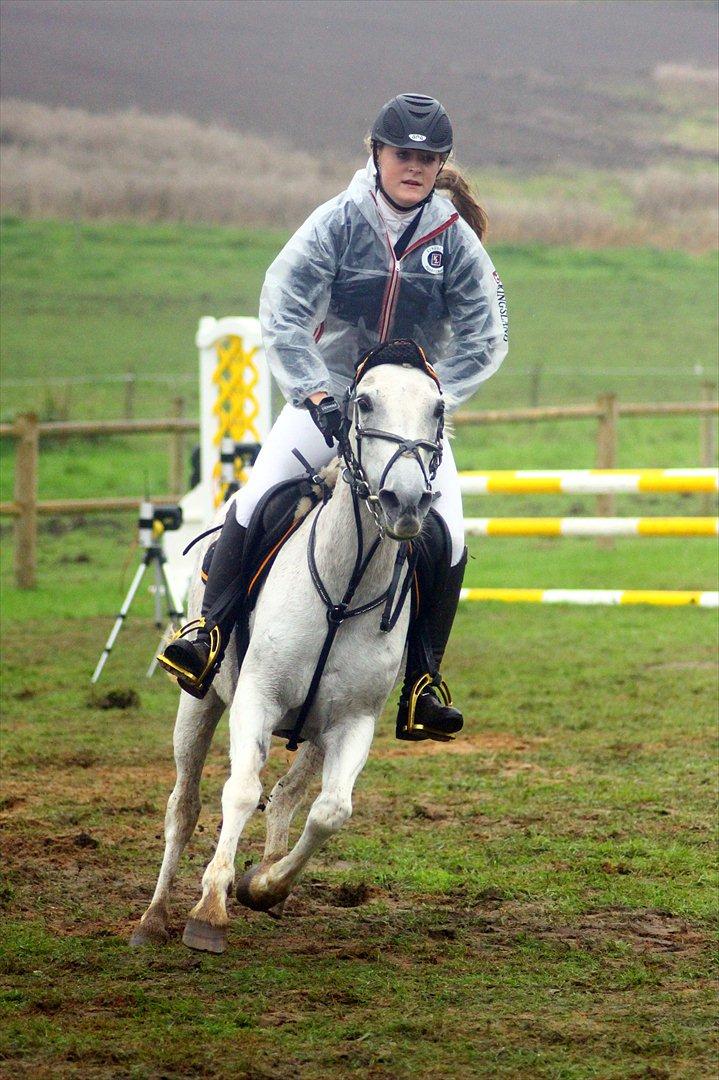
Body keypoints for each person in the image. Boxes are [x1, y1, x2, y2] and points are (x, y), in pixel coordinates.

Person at [158, 92, 509, 740]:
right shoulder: (336, 222)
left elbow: (488, 338)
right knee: (257, 497)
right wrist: (315, 392)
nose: (414, 166)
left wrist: (434, 396)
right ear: (375, 154)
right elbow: (282, 311)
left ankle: (422, 683)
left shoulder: (453, 242)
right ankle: (205, 632)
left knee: (449, 538)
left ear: (439, 166)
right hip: (327, 401)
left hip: (403, 420)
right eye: (403, 154)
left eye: (428, 158)